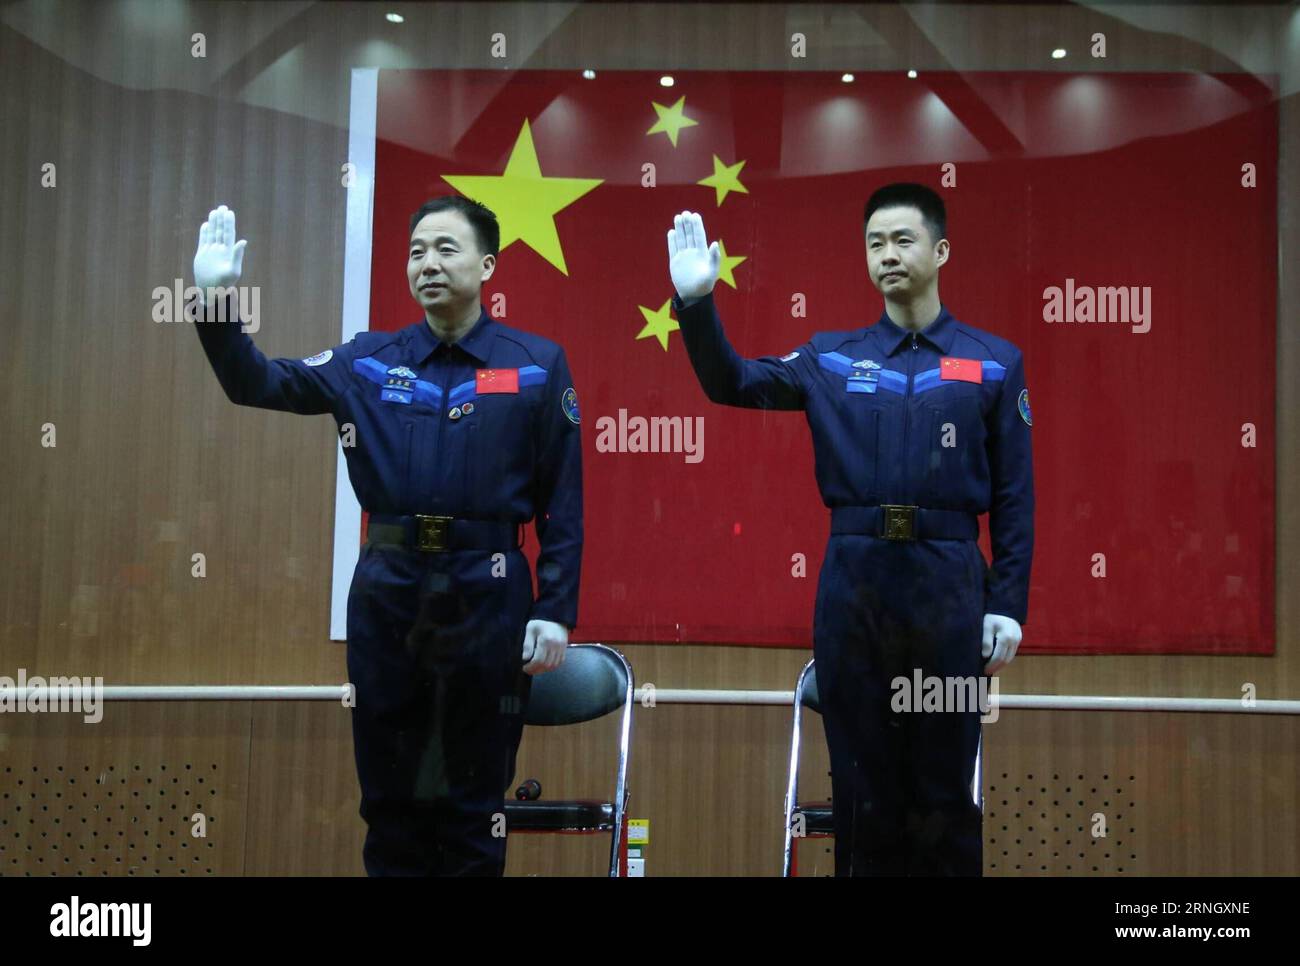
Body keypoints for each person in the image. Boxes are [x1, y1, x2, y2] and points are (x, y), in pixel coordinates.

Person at [189, 196, 582, 876]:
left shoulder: (537, 365)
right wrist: (216, 300)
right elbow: (255, 382)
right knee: (390, 799)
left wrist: (555, 610)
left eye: (446, 249)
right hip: (390, 596)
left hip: (489, 593)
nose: (427, 263)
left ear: (487, 264)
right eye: (416, 251)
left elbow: (564, 502)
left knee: (472, 800)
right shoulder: (368, 361)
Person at [665, 183, 1033, 875]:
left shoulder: (993, 361)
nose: (887, 254)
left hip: (950, 590)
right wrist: (695, 304)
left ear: (941, 250)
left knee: (943, 790)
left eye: (903, 239)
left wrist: (1007, 603)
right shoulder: (831, 358)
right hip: (855, 590)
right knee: (862, 794)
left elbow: (1015, 496)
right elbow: (734, 383)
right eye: (874, 243)